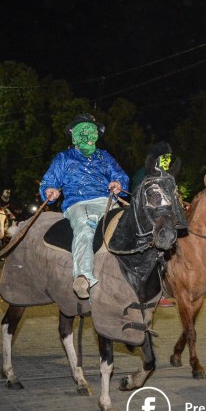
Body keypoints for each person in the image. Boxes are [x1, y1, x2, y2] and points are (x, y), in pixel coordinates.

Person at [39, 113, 129, 300]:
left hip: (108, 201)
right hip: (78, 204)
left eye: (92, 130)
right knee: (85, 227)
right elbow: (49, 180)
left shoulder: (105, 157)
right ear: (74, 133)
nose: (88, 134)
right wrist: (50, 190)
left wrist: (118, 184)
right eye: (84, 130)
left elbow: (120, 175)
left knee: (133, 225)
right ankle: (83, 276)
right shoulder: (63, 157)